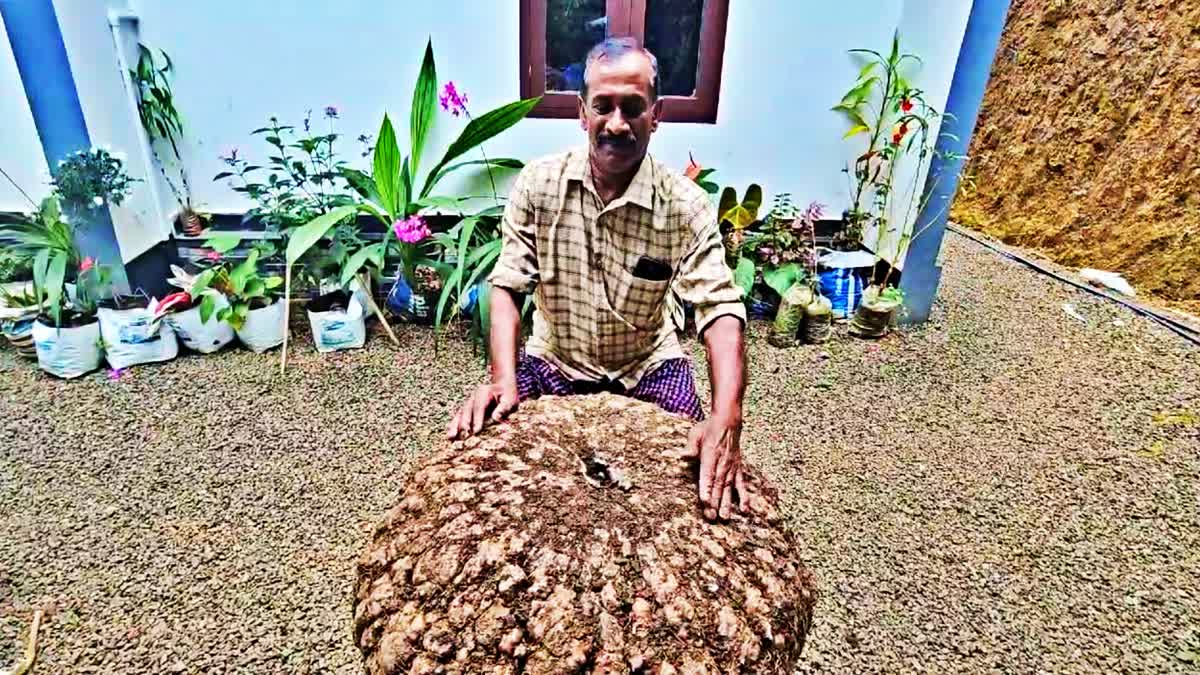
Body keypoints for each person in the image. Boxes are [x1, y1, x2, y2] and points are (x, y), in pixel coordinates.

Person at [446, 38, 748, 520]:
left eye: (633, 107)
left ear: (657, 113)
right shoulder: (538, 186)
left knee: (701, 486)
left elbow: (720, 309)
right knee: (488, 474)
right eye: (603, 106)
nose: (616, 123)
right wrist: (503, 378)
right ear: (582, 113)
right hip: (555, 359)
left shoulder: (685, 206)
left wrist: (726, 412)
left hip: (647, 362)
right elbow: (506, 284)